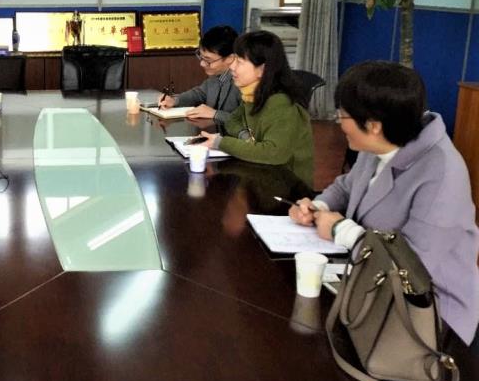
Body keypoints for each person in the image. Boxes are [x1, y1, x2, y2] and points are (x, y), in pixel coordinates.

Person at [289, 61, 479, 346]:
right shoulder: (380, 142)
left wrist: (341, 230)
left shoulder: (441, 173)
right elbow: (346, 185)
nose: (338, 122)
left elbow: (413, 268)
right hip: (368, 283)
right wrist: (320, 206)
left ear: (373, 125)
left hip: (426, 313)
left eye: (342, 115)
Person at [196, 30, 314, 187]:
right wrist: (245, 135)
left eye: (239, 62)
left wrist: (220, 142)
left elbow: (273, 153)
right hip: (261, 176)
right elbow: (232, 120)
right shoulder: (253, 94)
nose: (232, 67)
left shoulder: (281, 103)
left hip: (287, 187)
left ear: (262, 69)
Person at [158, 25, 241, 127]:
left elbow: (249, 123)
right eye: (201, 57)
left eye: (208, 60)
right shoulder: (216, 75)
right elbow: (199, 94)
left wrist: (215, 114)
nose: (202, 64)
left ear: (230, 58)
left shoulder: (243, 81)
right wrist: (174, 101)